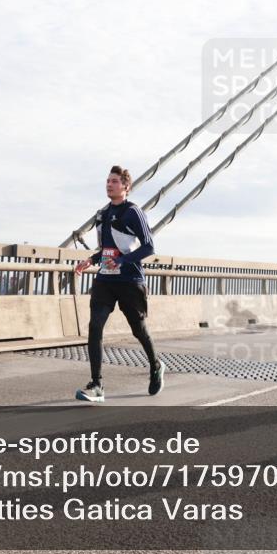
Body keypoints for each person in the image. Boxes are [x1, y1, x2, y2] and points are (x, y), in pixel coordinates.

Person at [73, 165, 165, 402]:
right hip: (105, 280)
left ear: (125, 186)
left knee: (139, 329)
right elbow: (105, 249)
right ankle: (97, 385)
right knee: (95, 326)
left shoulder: (133, 212)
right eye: (107, 180)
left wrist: (122, 261)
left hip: (130, 280)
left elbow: (149, 246)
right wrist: (90, 261)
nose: (109, 184)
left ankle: (155, 366)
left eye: (114, 181)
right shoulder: (102, 214)